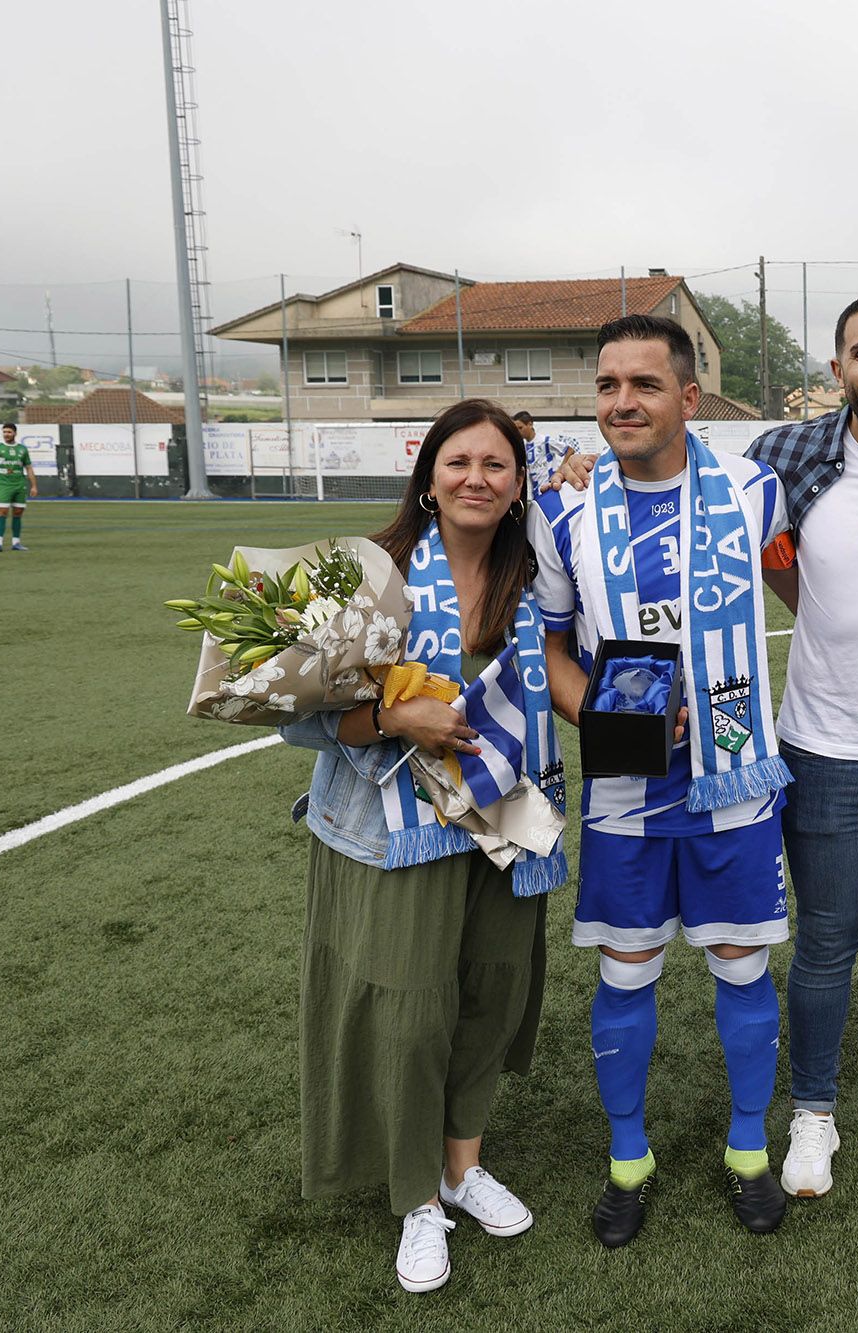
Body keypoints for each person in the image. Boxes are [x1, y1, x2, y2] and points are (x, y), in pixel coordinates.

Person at [549, 294, 858, 1202]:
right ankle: (811, 1109)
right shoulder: (777, 466)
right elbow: (760, 555)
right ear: (836, 368)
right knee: (825, 942)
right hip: (820, 745)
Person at [277, 397, 565, 1293]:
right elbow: (292, 716)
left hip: (510, 819)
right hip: (392, 827)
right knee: (409, 1014)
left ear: (519, 484)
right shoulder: (371, 570)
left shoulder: (542, 570)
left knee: (490, 995)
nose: (477, 479)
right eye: (459, 463)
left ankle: (459, 1164)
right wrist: (393, 715)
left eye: (497, 465)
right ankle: (416, 1200)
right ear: (428, 477)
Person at [530, 313, 793, 1247]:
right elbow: (556, 649)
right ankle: (628, 1159)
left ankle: (750, 1150)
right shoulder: (563, 506)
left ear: (689, 397)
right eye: (607, 385)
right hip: (627, 791)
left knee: (740, 962)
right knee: (627, 966)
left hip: (734, 777)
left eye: (643, 384)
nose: (622, 402)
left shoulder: (753, 487)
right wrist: (602, 713)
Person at [0, 423, 37, 552]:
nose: (6, 434)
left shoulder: (22, 449)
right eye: (4, 432)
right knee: (2, 512)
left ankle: (16, 542)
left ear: (15, 433)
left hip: (19, 485)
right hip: (3, 485)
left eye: (9, 432)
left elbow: (28, 468)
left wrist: (34, 486)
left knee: (18, 513)